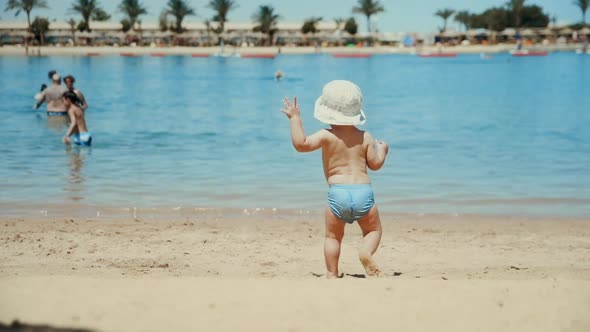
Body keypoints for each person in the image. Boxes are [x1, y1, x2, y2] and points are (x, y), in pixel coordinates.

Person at [280, 80, 390, 279]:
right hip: (363, 192)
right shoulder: (365, 137)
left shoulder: (326, 135)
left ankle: (332, 273)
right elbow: (375, 165)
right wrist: (382, 150)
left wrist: (295, 118)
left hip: (337, 193)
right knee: (373, 230)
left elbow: (301, 144)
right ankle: (366, 252)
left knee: (332, 236)